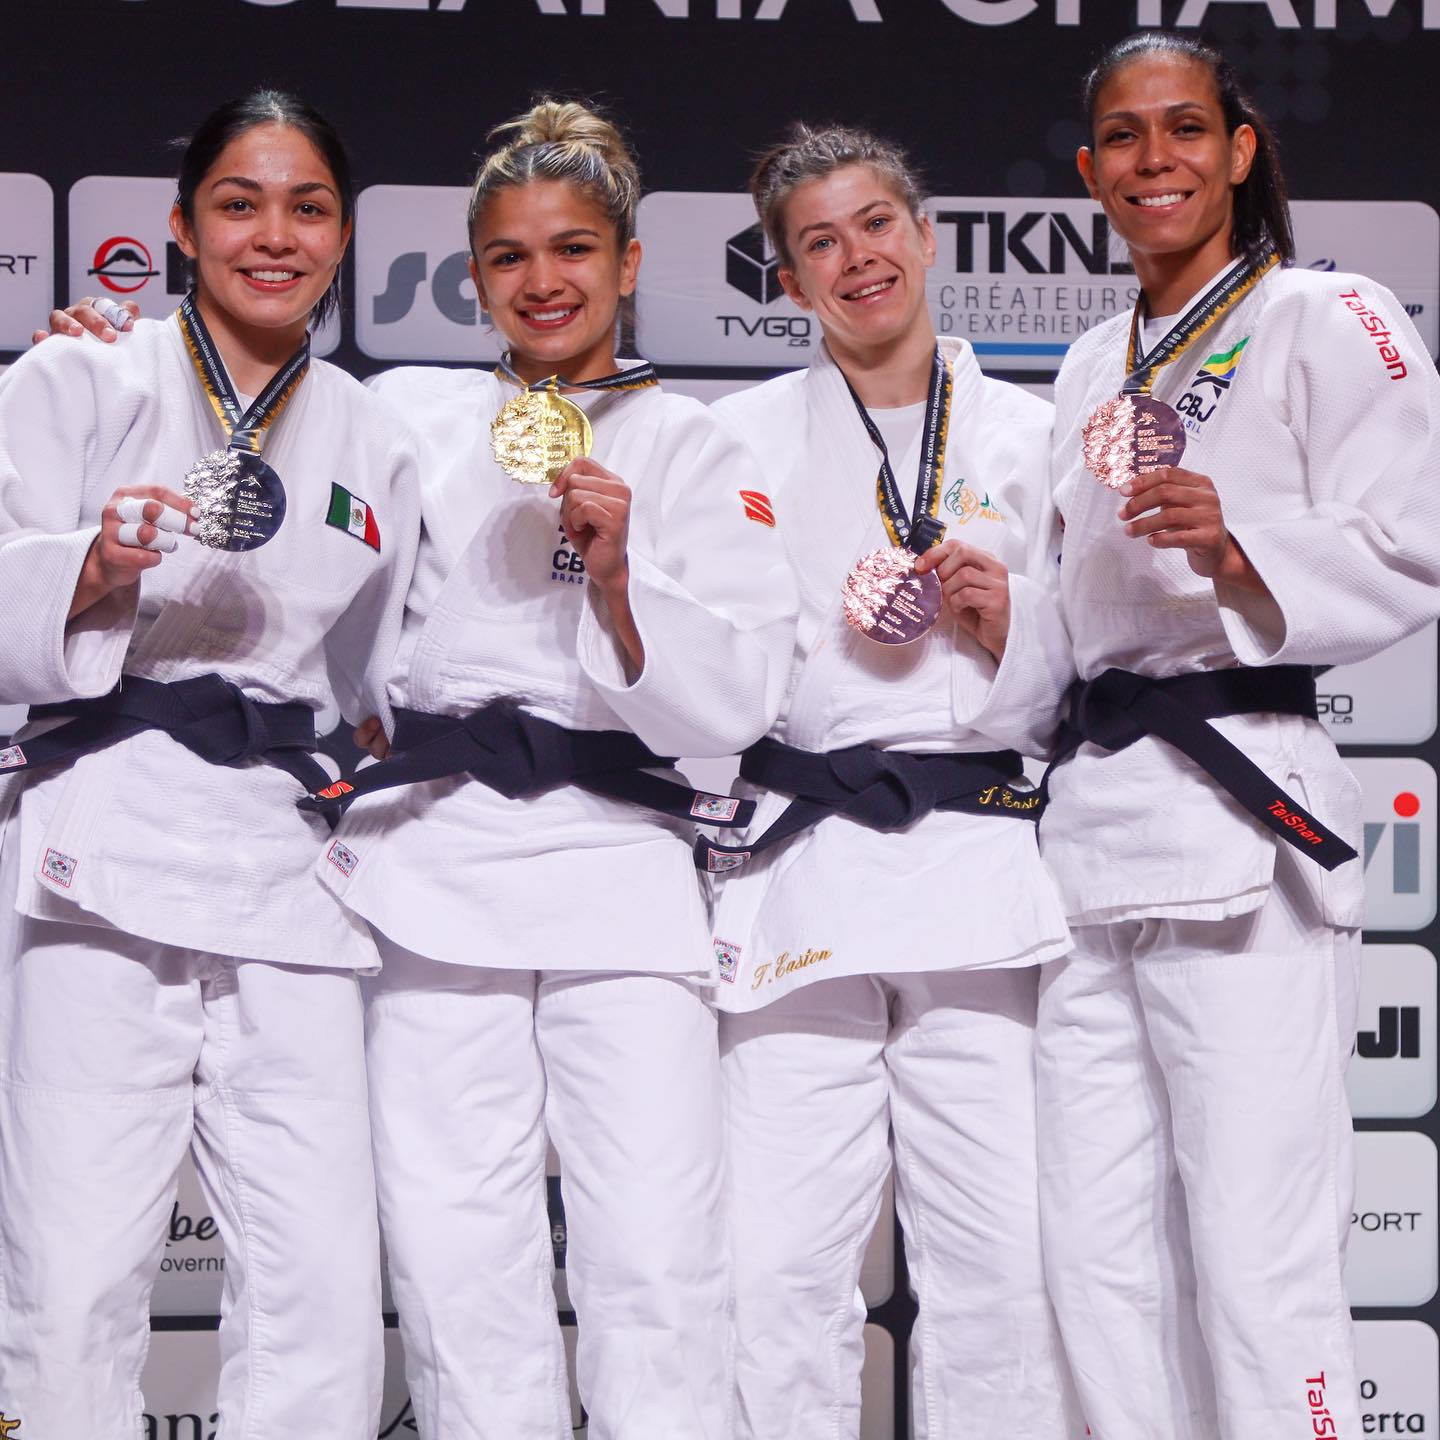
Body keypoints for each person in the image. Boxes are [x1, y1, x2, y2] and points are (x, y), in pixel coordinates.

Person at [314, 101, 793, 1440]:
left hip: (622, 873)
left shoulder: (700, 445)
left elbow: (745, 692)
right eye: (510, 258)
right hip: (435, 865)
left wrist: (626, 579)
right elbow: (284, 499)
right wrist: (110, 363)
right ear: (475, 278)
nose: (544, 282)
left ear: (629, 265)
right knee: (459, 1250)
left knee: (652, 1252)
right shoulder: (409, 413)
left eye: (574, 249)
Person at [1033, 32, 1440, 1440]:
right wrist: (989, 619)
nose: (1158, 161)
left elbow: (1416, 536)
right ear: (1091, 173)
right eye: (1128, 139)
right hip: (1088, 852)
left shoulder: (1333, 315)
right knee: (1092, 1262)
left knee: (1260, 1258)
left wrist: (1241, 543)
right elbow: (1065, 625)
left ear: (1240, 147)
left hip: (1241, 820)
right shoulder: (1091, 363)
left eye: (1186, 130)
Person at [0, 91, 419, 1440]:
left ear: (346, 236)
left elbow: (390, 668)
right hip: (100, 847)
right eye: (240, 203)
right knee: (73, 1272)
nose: (274, 234)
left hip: (289, 870)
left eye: (307, 207)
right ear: (182, 227)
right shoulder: (82, 376)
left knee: (319, 1285)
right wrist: (94, 572)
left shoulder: (375, 431)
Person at [705, 123, 1079, 1440]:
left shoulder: (1036, 437)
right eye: (820, 241)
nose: (856, 257)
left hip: (981, 873)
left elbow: (1083, 686)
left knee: (1005, 1269)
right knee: (771, 1268)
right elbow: (709, 677)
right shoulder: (730, 440)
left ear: (925, 237)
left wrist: (1005, 626)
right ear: (789, 279)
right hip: (803, 866)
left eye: (876, 225)